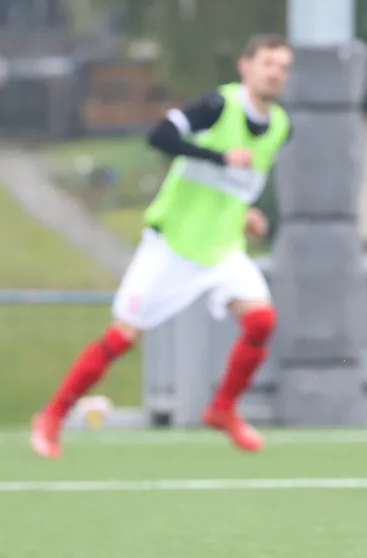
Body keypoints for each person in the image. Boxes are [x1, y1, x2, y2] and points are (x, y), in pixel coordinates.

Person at [32, 35, 295, 457]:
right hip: (173, 244)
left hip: (222, 248)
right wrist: (218, 156)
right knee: (122, 337)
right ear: (245, 66)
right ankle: (52, 416)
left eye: (283, 67)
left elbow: (237, 184)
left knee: (262, 320)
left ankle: (223, 409)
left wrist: (246, 213)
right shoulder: (217, 106)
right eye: (268, 63)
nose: (276, 74)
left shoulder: (281, 126)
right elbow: (160, 136)